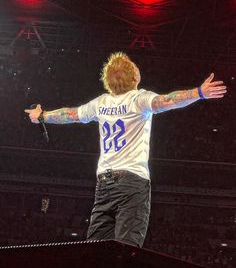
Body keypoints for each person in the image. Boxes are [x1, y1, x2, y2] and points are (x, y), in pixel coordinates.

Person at [25, 52, 227, 247]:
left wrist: (42, 116)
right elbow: (169, 100)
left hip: (104, 184)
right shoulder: (138, 99)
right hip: (132, 182)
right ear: (135, 75)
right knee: (126, 250)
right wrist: (199, 93)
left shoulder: (101, 103)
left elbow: (70, 114)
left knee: (96, 252)